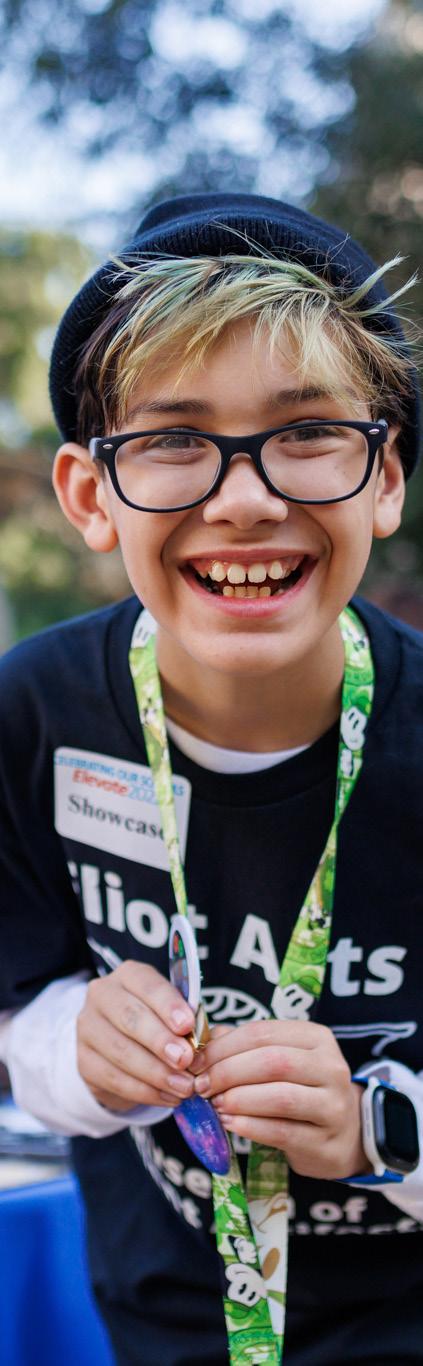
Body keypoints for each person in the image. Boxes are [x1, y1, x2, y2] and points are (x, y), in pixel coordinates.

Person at [0, 192, 422, 1366]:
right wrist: (77, 1042)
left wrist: (376, 1124)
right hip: (162, 1331)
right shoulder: (33, 715)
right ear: (91, 495)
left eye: (308, 431)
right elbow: (16, 1018)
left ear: (385, 477)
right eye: (175, 440)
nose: (245, 497)